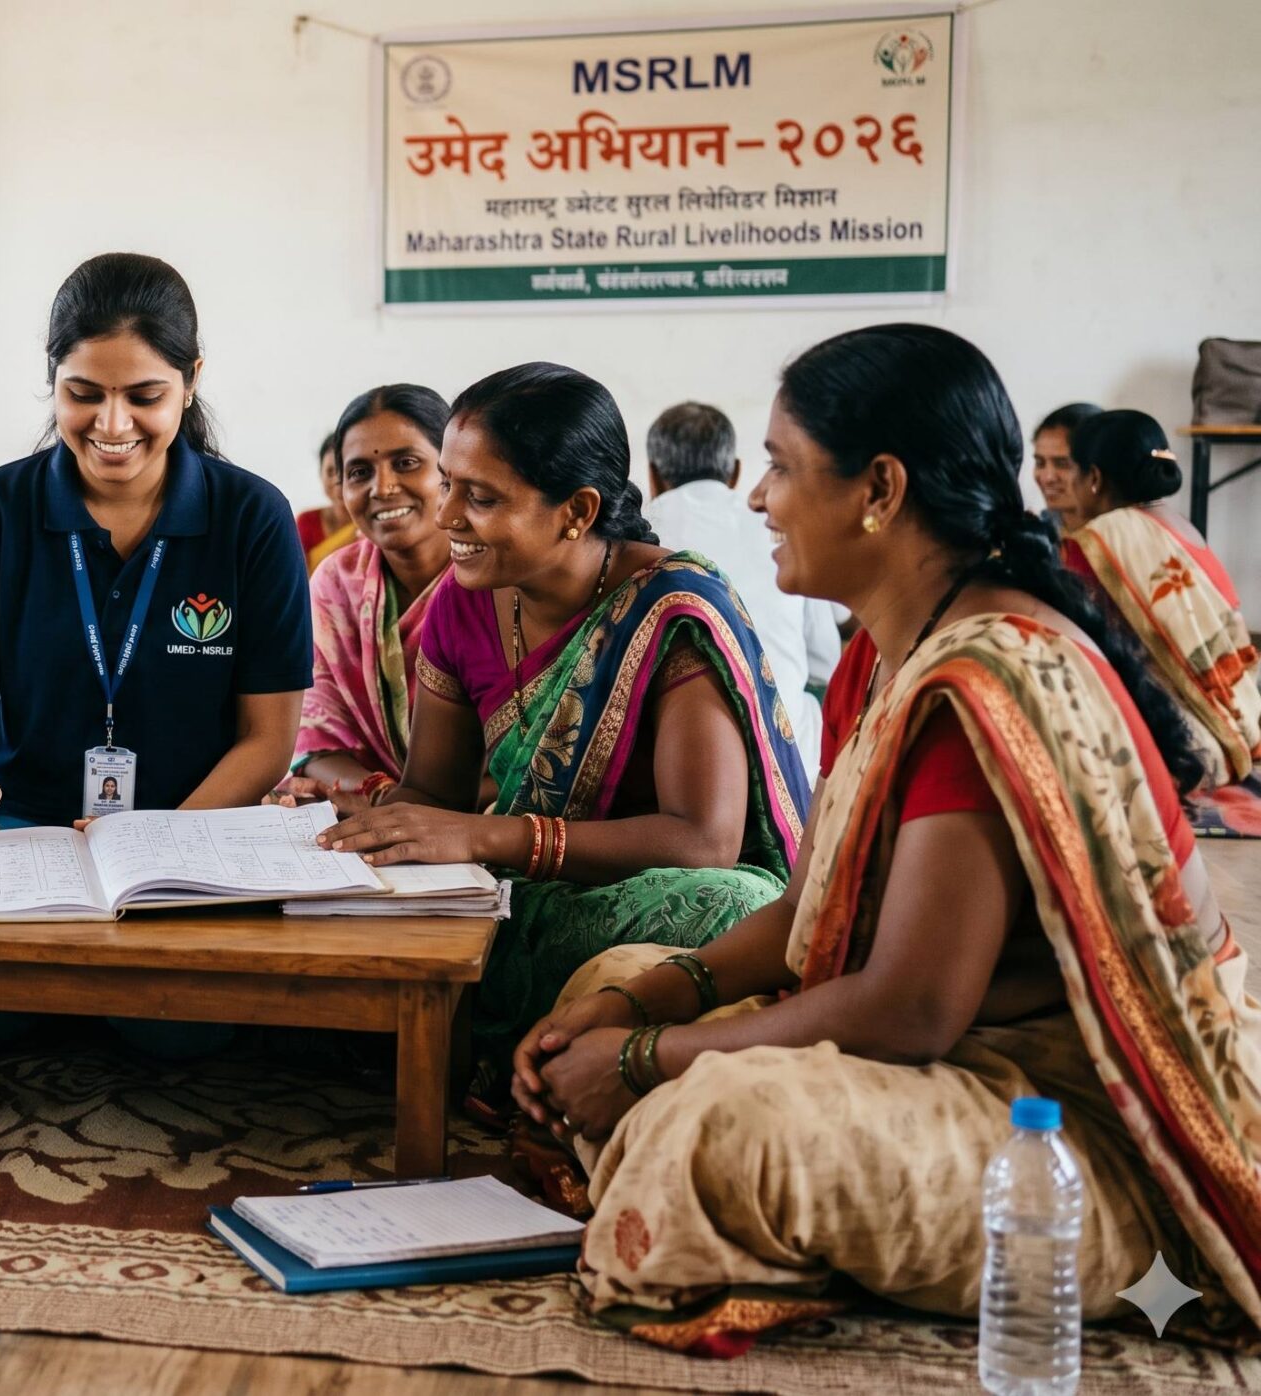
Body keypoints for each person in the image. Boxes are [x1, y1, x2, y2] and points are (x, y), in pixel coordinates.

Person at [510, 324, 1261, 1355]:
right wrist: (635, 1004)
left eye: (779, 465)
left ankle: (734, 1218)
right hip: (934, 1064)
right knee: (611, 972)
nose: (759, 498)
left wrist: (642, 1059)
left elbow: (909, 1007)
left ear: (880, 489)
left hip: (1051, 1139)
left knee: (717, 1118)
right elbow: (799, 914)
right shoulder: (883, 651)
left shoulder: (987, 682)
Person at [297, 364, 812, 1094]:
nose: (447, 518)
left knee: (735, 908)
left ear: (576, 510)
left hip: (646, 899)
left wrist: (490, 836)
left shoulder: (672, 609)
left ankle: (460, 1026)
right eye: (448, 484)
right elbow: (433, 794)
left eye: (479, 497)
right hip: (514, 894)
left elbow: (704, 842)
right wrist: (365, 815)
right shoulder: (461, 601)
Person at [0, 251, 311, 1058]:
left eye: (144, 396)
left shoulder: (252, 517)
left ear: (192, 380)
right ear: (53, 380)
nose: (112, 425)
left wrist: (159, 841)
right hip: (24, 833)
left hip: (191, 833)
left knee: (178, 1032)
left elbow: (268, 738)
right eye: (84, 394)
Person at [1057, 408, 1261, 791]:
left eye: (1071, 470)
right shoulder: (1183, 528)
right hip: (1239, 724)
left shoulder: (1102, 540)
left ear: (1094, 478)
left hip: (1180, 742)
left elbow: (1073, 643)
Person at [640, 401, 843, 760]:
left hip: (677, 762)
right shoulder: (778, 528)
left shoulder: (640, 533)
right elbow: (826, 662)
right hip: (790, 764)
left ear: (653, 476)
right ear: (735, 473)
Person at [292, 384, 455, 790]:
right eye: (359, 472)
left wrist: (413, 808)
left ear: (452, 470)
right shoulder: (336, 581)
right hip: (363, 810)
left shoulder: (496, 578)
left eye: (407, 463)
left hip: (488, 820)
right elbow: (314, 737)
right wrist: (382, 798)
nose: (382, 488)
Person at [1028, 401, 1102, 534]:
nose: (1047, 478)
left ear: (1097, 472)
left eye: (1063, 464)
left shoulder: (1127, 537)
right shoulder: (1036, 536)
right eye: (1040, 463)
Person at [295, 431, 358, 574]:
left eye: (348, 471)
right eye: (330, 472)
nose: (338, 480)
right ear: (320, 475)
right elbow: (300, 579)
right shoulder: (307, 521)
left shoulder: (373, 525)